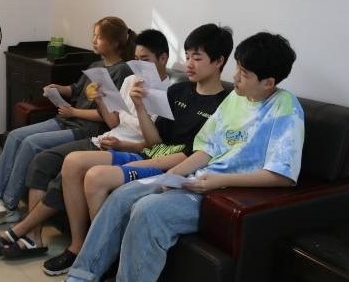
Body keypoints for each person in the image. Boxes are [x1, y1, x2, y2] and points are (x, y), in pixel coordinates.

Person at [65, 32, 304, 282]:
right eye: (237, 69)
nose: (235, 78)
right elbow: (206, 148)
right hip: (196, 178)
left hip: (221, 194)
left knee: (148, 210)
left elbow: (282, 175)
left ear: (268, 82)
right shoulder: (235, 98)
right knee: (123, 195)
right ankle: (82, 275)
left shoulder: (285, 108)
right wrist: (172, 175)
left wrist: (219, 181)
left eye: (244, 74)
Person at [0, 29, 173, 260]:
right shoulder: (129, 81)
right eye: (135, 59)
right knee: (42, 161)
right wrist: (100, 100)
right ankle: (33, 237)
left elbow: (155, 144)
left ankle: (29, 233)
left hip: (128, 147)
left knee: (65, 173)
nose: (138, 66)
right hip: (107, 138)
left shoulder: (170, 93)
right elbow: (113, 122)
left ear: (163, 59)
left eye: (145, 60)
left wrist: (133, 121)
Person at [0, 17, 135, 229]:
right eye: (94, 35)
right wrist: (58, 89)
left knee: (31, 143)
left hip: (87, 129)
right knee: (15, 135)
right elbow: (76, 89)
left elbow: (110, 116)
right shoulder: (96, 65)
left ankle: (9, 205)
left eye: (99, 37)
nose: (94, 40)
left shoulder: (122, 71)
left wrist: (74, 111)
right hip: (68, 119)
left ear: (114, 43)